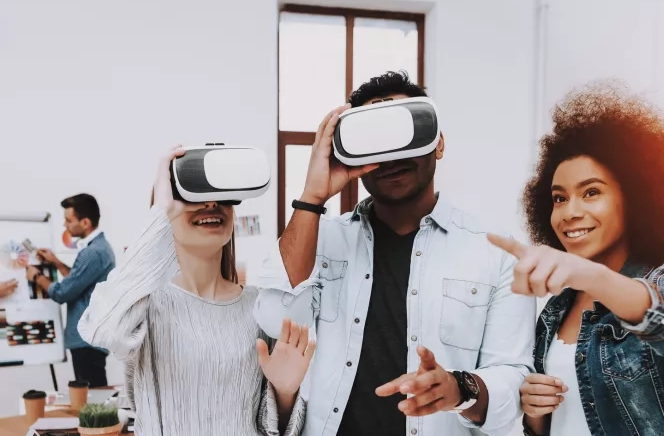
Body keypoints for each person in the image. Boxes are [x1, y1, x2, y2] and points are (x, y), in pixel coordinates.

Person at [253, 71, 536, 436]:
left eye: (406, 135)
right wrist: (312, 196)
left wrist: (459, 388)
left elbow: (513, 382)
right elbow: (277, 319)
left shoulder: (497, 253)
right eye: (376, 141)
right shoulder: (320, 240)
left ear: (438, 143)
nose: (391, 156)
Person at [487, 82, 664, 436]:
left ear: (637, 198)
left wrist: (597, 279)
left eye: (591, 192)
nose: (569, 212)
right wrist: (534, 412)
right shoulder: (557, 308)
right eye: (559, 198)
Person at [77, 146, 314, 436]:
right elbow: (102, 329)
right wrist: (163, 209)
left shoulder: (259, 305)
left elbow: (272, 427)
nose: (212, 203)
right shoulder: (145, 305)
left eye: (222, 196)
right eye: (194, 195)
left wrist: (285, 392)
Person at [26, 193, 115, 387]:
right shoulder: (97, 249)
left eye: (68, 220)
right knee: (91, 400)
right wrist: (56, 262)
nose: (65, 226)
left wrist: (36, 276)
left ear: (85, 222)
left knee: (93, 402)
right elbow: (79, 282)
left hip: (86, 342)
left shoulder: (93, 253)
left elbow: (62, 293)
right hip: (88, 341)